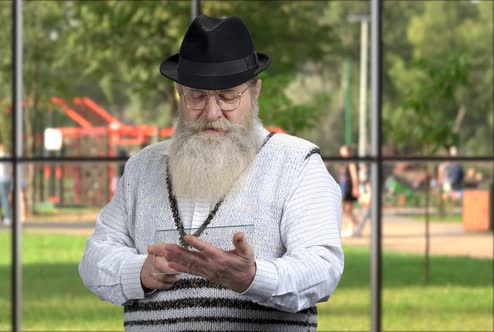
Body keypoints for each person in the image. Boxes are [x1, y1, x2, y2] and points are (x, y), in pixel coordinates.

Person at [79, 15, 343, 331]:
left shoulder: (297, 164)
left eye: (228, 96)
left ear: (255, 91)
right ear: (180, 93)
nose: (212, 112)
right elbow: (94, 260)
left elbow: (322, 270)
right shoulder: (141, 168)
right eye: (197, 96)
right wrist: (141, 272)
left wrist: (253, 277)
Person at [338, 145, 359, 237]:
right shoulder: (344, 163)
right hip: (345, 187)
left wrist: (355, 187)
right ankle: (354, 224)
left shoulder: (351, 162)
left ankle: (352, 226)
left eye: (343, 151)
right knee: (346, 209)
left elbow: (354, 176)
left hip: (349, 187)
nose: (341, 153)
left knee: (347, 209)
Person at [0, 143, 12, 225]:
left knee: (4, 199)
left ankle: (7, 217)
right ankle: (8, 215)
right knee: (8, 198)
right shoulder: (8, 156)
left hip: (1, 179)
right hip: (8, 178)